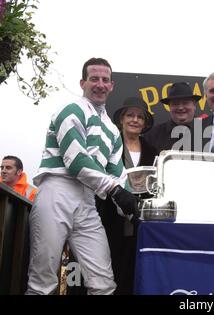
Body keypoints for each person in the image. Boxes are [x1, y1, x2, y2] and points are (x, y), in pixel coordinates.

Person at [26, 57, 139, 295]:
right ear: (82, 83)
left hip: (88, 201)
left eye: (105, 80)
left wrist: (130, 208)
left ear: (112, 85)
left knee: (103, 283)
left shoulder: (112, 130)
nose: (100, 84)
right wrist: (116, 192)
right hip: (57, 191)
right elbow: (76, 161)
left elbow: (117, 174)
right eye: (94, 79)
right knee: (42, 282)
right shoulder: (71, 109)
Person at [96, 96, 156, 295]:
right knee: (108, 273)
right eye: (130, 115)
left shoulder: (153, 151)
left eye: (140, 117)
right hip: (109, 219)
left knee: (135, 274)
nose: (135, 120)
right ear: (121, 119)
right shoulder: (108, 145)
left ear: (145, 123)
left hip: (141, 224)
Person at [144, 82, 202, 155]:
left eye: (185, 103)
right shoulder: (152, 135)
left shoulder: (210, 133)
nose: (180, 108)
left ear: (194, 106)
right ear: (169, 107)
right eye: (175, 103)